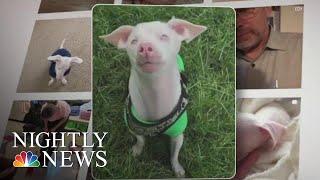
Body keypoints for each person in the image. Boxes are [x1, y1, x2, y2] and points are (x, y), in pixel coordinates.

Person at [236, 7, 302, 89]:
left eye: (245, 10)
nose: (237, 23)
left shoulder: (304, 47)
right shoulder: (218, 58)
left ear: (267, 9)